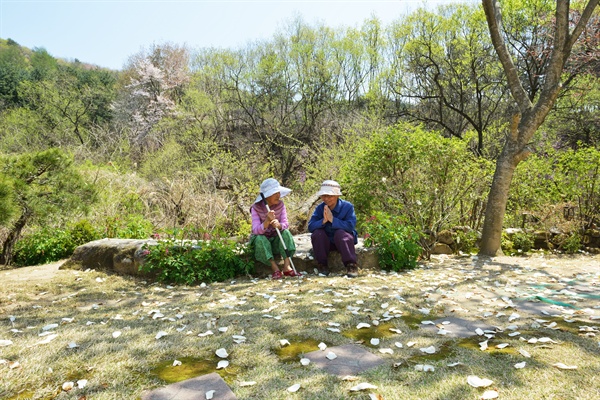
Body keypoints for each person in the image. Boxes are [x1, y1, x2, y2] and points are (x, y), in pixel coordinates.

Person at [250, 178, 301, 279]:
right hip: (263, 243)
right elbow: (255, 230)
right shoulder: (255, 208)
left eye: (278, 192)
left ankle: (287, 266)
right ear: (267, 196)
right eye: (275, 193)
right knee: (260, 239)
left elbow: (286, 224)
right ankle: (275, 268)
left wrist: (279, 225)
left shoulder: (281, 205)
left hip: (276, 241)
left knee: (286, 232)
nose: (278, 195)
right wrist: (266, 222)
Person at [308, 180, 359, 277]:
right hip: (326, 243)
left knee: (341, 233)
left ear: (337, 196)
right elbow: (311, 226)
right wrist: (323, 221)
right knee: (317, 234)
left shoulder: (347, 207)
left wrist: (333, 220)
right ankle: (322, 265)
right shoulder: (319, 208)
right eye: (324, 196)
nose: (326, 199)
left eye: (330, 196)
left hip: (343, 242)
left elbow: (350, 226)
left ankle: (351, 265)